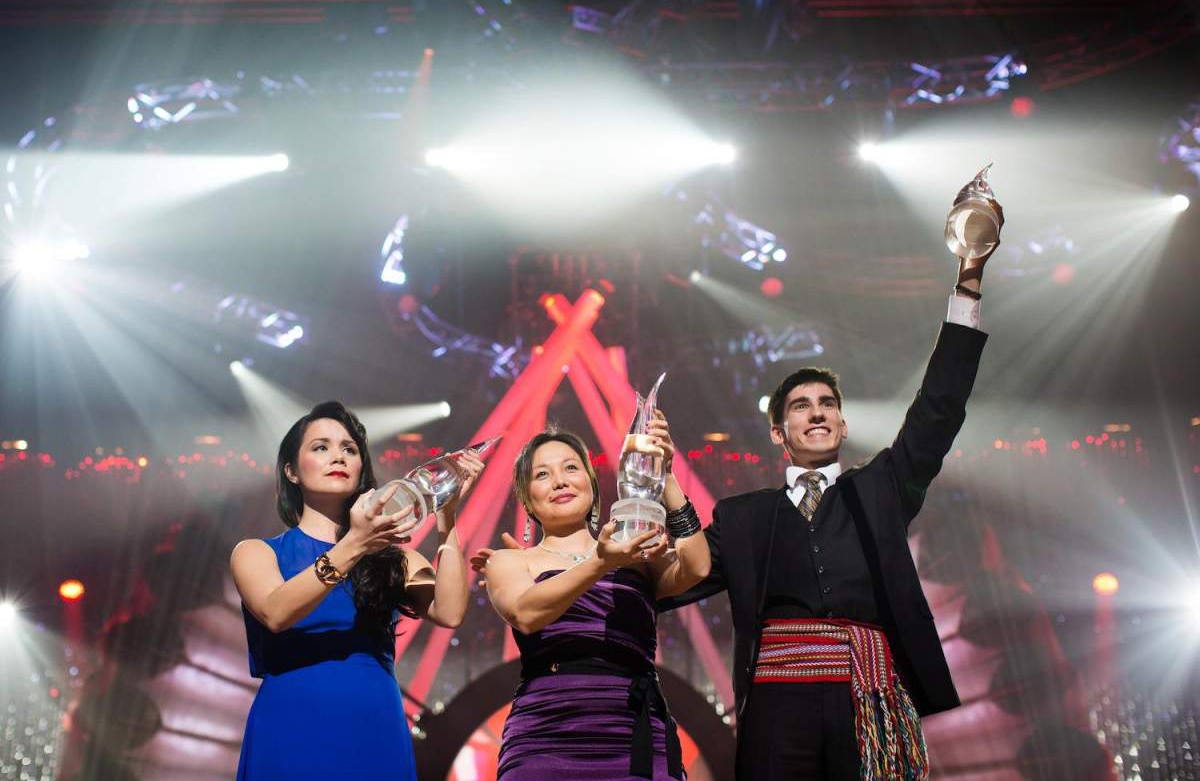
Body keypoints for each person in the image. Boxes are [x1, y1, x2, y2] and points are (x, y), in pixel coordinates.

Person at [659, 254, 991, 780]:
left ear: (841, 422)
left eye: (827, 403)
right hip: (776, 705)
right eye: (800, 405)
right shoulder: (744, 517)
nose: (816, 411)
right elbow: (677, 578)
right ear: (778, 432)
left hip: (869, 700)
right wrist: (561, 565)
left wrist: (968, 283)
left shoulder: (880, 488)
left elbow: (938, 410)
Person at [230, 400, 483, 780]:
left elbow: (449, 611)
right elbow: (276, 612)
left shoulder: (392, 559)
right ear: (291, 471)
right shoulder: (256, 552)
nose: (339, 456)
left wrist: (447, 516)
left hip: (373, 727)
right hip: (290, 727)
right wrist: (355, 544)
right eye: (321, 447)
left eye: (349, 449)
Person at [480, 420, 711, 781]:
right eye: (542, 474)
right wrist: (600, 563)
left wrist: (665, 476)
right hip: (545, 732)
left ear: (590, 481)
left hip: (632, 726)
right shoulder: (510, 561)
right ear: (527, 497)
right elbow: (526, 613)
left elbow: (696, 567)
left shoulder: (634, 552)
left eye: (571, 468)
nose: (559, 481)